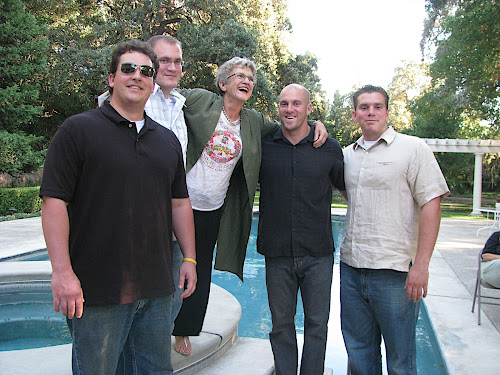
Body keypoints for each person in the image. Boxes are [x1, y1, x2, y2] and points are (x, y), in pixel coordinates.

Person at [40, 39, 196, 375]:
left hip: (156, 288)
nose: (137, 76)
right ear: (111, 78)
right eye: (128, 68)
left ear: (154, 83)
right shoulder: (78, 130)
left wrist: (189, 258)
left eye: (146, 71)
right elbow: (54, 202)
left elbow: (180, 203)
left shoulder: (166, 141)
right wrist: (62, 272)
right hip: (97, 290)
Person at [172, 58, 329, 355]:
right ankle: (154, 322)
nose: (246, 81)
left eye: (250, 78)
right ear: (223, 84)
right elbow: (167, 97)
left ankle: (184, 330)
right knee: (167, 263)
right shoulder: (201, 101)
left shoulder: (254, 121)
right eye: (238, 76)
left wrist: (317, 123)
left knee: (200, 268)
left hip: (212, 209)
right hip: (180, 202)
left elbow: (288, 125)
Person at [340, 85, 449, 375]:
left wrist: (422, 265)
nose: (371, 112)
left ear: (387, 112)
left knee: (400, 359)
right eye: (364, 107)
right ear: (355, 115)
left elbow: (431, 203)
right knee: (359, 355)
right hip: (351, 269)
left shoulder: (413, 149)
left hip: (395, 273)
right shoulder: (346, 156)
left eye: (377, 106)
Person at [98, 34, 188, 333]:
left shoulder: (183, 104)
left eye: (177, 61)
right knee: (119, 312)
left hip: (170, 222)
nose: (171, 67)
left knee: (167, 300)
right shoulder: (125, 103)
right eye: (164, 61)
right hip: (128, 225)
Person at [257, 84, 345, 375]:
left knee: (317, 326)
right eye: (284, 104)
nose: (290, 109)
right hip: (277, 253)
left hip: (318, 254)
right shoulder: (264, 145)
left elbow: (351, 190)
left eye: (297, 104)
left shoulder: (329, 148)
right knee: (281, 325)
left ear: (309, 109)